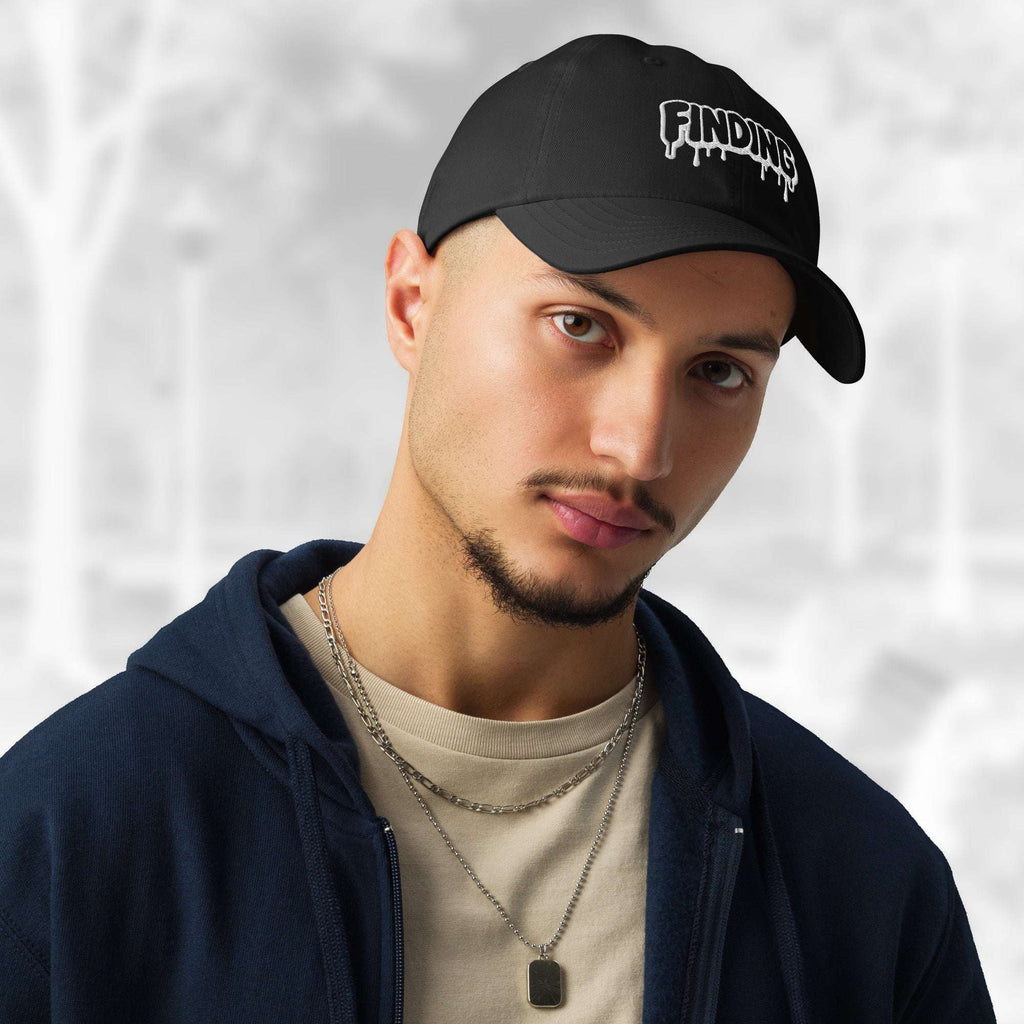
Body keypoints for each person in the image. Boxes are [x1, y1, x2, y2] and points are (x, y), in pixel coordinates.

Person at [0, 32, 997, 1024]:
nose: (639, 446)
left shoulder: (861, 888)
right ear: (409, 302)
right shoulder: (73, 831)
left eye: (718, 373)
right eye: (579, 326)